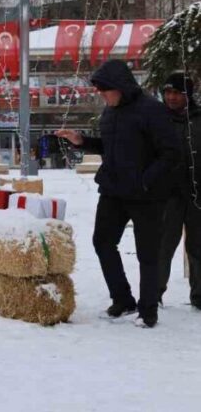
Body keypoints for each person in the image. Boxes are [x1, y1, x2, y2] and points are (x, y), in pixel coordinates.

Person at [56, 59, 180, 328]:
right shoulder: (110, 112)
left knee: (147, 253)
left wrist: (146, 181)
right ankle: (123, 299)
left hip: (147, 196)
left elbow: (171, 153)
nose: (102, 95)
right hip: (114, 190)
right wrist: (81, 141)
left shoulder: (152, 110)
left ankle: (148, 311)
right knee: (102, 241)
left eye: (105, 90)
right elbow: (109, 146)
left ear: (120, 87)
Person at [156, 72, 201, 309]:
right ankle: (154, 294)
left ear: (188, 95)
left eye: (177, 93)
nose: (171, 97)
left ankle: (199, 296)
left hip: (197, 194)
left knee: (198, 247)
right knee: (163, 246)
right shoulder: (157, 119)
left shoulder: (198, 118)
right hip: (168, 195)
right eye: (168, 92)